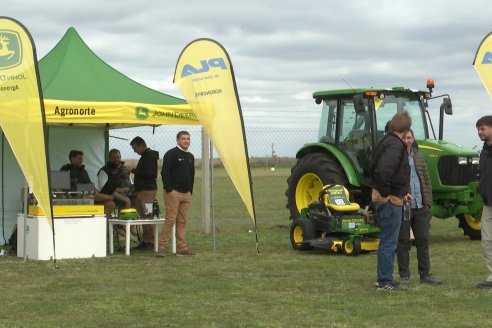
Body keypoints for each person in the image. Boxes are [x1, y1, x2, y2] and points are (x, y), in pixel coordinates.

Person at [371, 111, 411, 291]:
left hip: (385, 194)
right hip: (391, 197)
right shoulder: (395, 145)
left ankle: (384, 278)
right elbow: (384, 171)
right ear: (405, 128)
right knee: (389, 241)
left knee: (387, 240)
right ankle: (385, 281)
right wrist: (386, 194)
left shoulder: (384, 141)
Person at [396, 129, 442, 286]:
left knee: (423, 241)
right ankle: (404, 276)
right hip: (404, 207)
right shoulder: (396, 158)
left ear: (413, 138)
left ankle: (425, 274)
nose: (407, 140)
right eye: (404, 138)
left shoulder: (418, 156)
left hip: (420, 207)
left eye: (409, 137)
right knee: (403, 242)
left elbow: (427, 181)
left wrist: (427, 203)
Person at [157, 131, 195, 257]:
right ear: (177, 140)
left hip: (186, 194)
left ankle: (182, 248)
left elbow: (192, 175)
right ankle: (161, 247)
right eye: (183, 138)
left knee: (182, 221)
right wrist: (169, 190)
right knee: (170, 220)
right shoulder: (171, 154)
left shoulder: (190, 156)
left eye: (188, 138)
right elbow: (165, 173)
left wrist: (190, 191)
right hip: (173, 193)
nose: (186, 141)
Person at [130, 136, 159, 251]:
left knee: (148, 215)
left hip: (147, 190)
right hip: (142, 190)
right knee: (143, 216)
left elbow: (148, 173)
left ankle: (151, 241)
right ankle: (145, 240)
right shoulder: (145, 156)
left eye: (135, 148)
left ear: (141, 145)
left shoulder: (149, 156)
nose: (134, 150)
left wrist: (132, 170)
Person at [475, 115, 492, 289]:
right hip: (487, 203)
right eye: (478, 129)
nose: (480, 132)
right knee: (487, 241)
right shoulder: (484, 152)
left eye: (483, 129)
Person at [97, 148, 133, 218]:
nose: (117, 159)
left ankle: (133, 225)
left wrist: (131, 189)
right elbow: (103, 188)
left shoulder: (125, 169)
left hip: (128, 192)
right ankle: (122, 225)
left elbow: (131, 182)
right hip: (113, 194)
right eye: (114, 158)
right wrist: (120, 190)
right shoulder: (104, 170)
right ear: (109, 158)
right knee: (127, 200)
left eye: (118, 157)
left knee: (138, 198)